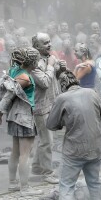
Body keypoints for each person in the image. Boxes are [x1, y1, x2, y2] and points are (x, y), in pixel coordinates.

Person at [46, 70, 101, 200]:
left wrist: (64, 121)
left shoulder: (62, 98)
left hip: (74, 150)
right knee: (94, 182)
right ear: (76, 80)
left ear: (62, 85)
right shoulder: (92, 93)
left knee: (66, 186)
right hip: (94, 147)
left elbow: (51, 125)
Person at [0, 47, 42, 195]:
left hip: (14, 117)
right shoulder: (25, 78)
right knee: (25, 154)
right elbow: (8, 96)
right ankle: (25, 188)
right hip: (24, 117)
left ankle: (13, 183)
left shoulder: (14, 70)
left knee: (15, 152)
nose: (38, 63)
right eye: (36, 60)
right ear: (31, 62)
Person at [30, 32, 66, 184]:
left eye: (49, 41)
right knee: (47, 142)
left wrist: (60, 70)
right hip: (40, 107)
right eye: (45, 43)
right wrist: (51, 65)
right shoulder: (33, 63)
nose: (49, 45)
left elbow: (55, 79)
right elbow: (44, 82)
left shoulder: (49, 57)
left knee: (44, 140)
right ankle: (47, 173)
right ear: (36, 46)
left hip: (51, 104)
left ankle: (37, 166)